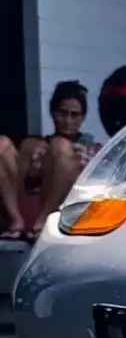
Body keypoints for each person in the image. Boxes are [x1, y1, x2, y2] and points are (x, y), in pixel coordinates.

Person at [0, 81, 103, 242]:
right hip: (24, 206)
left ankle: (43, 224)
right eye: (63, 113)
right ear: (53, 112)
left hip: (63, 215)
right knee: (3, 144)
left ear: (82, 118)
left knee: (60, 146)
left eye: (74, 115)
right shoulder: (34, 146)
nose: (68, 121)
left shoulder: (90, 149)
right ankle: (15, 221)